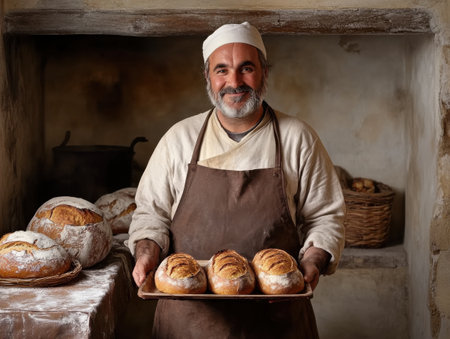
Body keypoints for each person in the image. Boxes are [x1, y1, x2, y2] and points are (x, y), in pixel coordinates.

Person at [127, 22, 345, 338]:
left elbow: (326, 217)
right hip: (189, 324)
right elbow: (150, 215)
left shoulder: (298, 138)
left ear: (264, 73)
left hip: (276, 322)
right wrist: (146, 251)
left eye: (246, 68)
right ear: (207, 77)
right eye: (222, 70)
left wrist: (314, 259)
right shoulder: (179, 140)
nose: (234, 81)